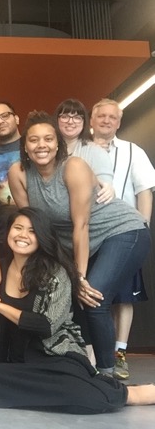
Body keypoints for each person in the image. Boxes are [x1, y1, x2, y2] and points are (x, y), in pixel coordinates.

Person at [0, 207, 155, 414]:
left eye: (32, 231)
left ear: (42, 237)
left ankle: (128, 395)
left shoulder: (56, 272)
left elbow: (45, 326)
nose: (23, 235)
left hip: (57, 358)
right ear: (8, 232)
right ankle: (72, 391)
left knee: (85, 397)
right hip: (21, 364)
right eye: (18, 228)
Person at [8, 111, 151, 377]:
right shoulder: (18, 173)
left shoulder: (73, 167)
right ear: (24, 146)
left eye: (49, 139)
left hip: (121, 231)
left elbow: (81, 226)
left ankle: (108, 374)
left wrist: (80, 277)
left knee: (93, 297)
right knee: (71, 298)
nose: (42, 145)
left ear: (58, 143)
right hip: (78, 243)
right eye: (34, 140)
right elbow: (34, 224)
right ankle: (83, 367)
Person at [91, 98, 155, 380]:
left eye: (112, 117)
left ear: (119, 122)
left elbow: (144, 192)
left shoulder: (133, 152)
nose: (106, 121)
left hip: (123, 235)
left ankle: (119, 353)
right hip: (90, 233)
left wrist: (143, 228)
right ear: (92, 120)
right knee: (92, 296)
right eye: (101, 116)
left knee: (123, 297)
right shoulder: (80, 149)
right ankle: (92, 353)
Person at [54, 99, 115, 204]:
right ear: (57, 120)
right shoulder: (47, 150)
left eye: (77, 118)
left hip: (89, 212)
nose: (70, 121)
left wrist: (108, 189)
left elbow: (104, 192)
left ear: (84, 122)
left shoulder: (96, 151)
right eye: (64, 116)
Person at [0, 101, 21, 262]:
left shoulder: (34, 144)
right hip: (0, 230)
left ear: (17, 119)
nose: (0, 121)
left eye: (5, 116)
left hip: (33, 225)